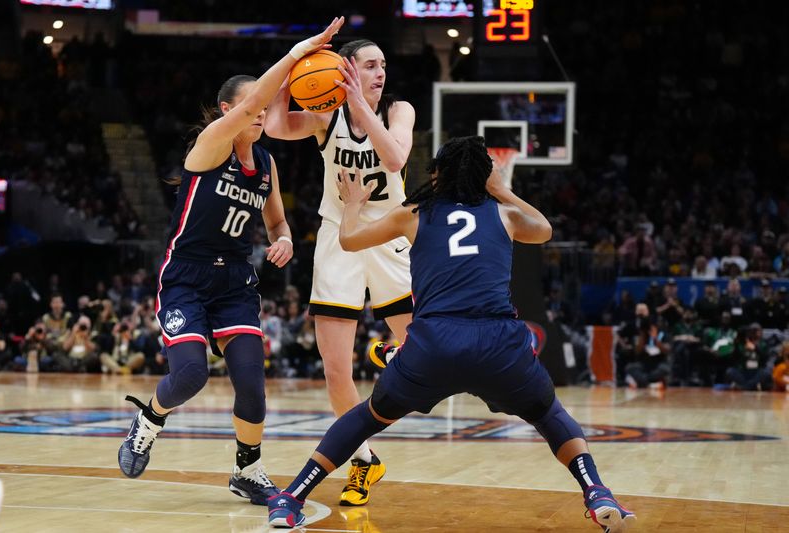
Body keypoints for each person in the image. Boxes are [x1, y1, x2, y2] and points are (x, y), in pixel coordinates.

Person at [266, 136, 635, 532]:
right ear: (484, 176)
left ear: (437, 174)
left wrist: (353, 204)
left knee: (367, 417)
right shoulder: (504, 214)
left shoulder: (414, 212)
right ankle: (597, 491)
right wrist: (502, 189)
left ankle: (291, 498)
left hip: (434, 345)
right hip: (499, 344)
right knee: (550, 415)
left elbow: (349, 240)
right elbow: (543, 229)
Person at [116, 17, 345, 507]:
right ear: (228, 110)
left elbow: (278, 223)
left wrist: (283, 241)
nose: (261, 115)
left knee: (252, 386)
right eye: (252, 106)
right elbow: (258, 100)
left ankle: (248, 470)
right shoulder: (210, 146)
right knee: (192, 375)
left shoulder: (266, 164)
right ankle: (150, 419)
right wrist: (296, 54)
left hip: (236, 282)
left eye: (263, 109)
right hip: (186, 278)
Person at [265, 38, 416, 505]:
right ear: (344, 68)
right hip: (338, 234)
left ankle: (392, 354)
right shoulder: (325, 117)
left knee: (422, 346)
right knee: (335, 371)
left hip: (391, 230)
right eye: (370, 65)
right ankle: (363, 460)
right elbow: (272, 124)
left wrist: (358, 101)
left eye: (383, 65)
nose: (380, 72)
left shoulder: (398, 110)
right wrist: (293, 67)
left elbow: (394, 158)